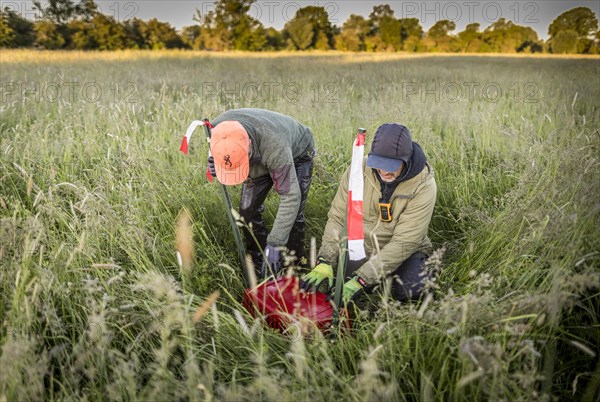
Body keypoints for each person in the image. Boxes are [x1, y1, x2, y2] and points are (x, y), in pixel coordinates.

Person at [300, 123, 437, 305]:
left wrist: (363, 278)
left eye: (391, 166)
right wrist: (326, 258)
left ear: (406, 160)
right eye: (379, 164)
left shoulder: (424, 185)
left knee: (414, 293)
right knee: (338, 293)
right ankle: (375, 279)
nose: (384, 171)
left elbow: (406, 241)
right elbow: (338, 215)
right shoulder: (358, 170)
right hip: (361, 245)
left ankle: (396, 278)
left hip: (405, 250)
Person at [208, 108, 315, 277]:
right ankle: (260, 263)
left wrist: (275, 243)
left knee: (293, 215)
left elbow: (290, 197)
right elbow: (216, 147)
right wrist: (217, 162)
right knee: (247, 211)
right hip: (258, 155)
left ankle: (292, 268)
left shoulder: (274, 145)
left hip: (296, 153)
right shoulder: (217, 129)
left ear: (248, 143)